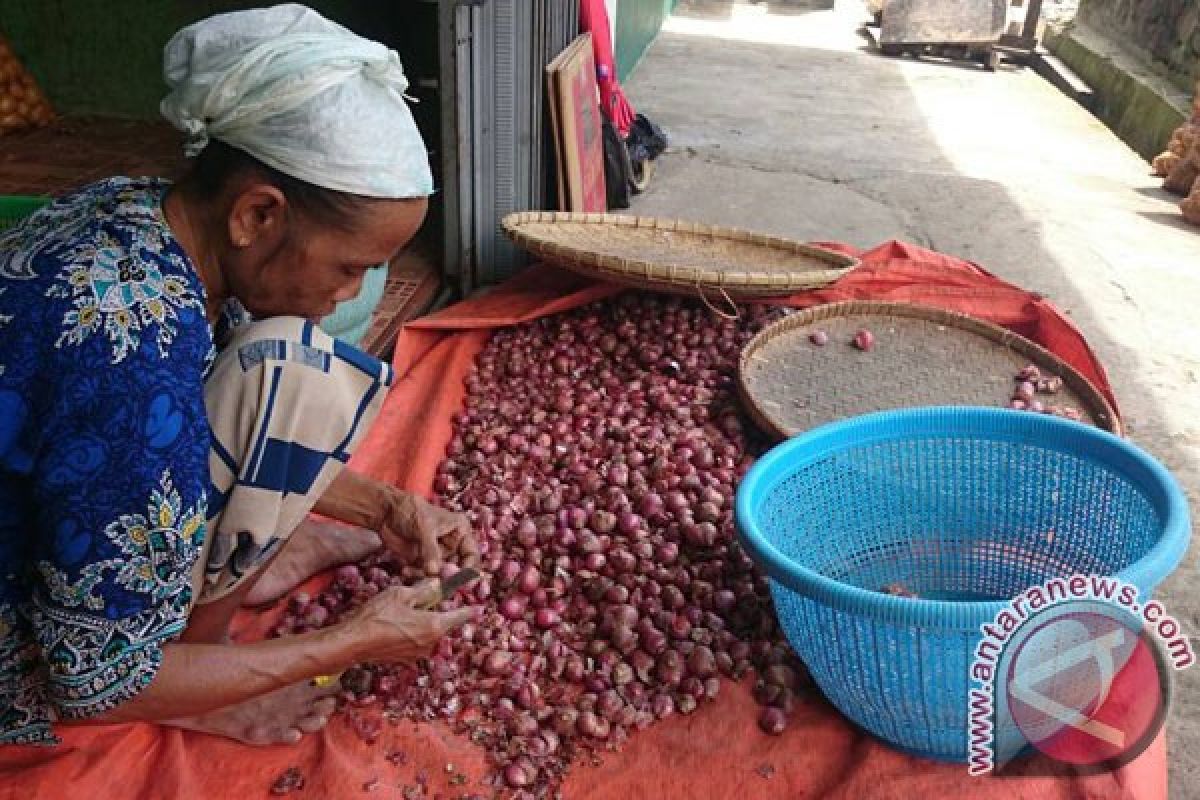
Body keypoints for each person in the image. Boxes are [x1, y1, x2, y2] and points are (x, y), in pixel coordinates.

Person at [0, 4, 480, 747]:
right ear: (257, 215)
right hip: (18, 632)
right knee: (292, 368)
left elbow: (200, 418)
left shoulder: (137, 208)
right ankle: (194, 681)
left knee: (287, 371)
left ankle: (258, 555)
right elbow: (90, 681)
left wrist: (383, 506)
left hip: (63, 495)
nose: (353, 294)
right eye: (349, 267)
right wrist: (342, 643)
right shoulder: (127, 353)